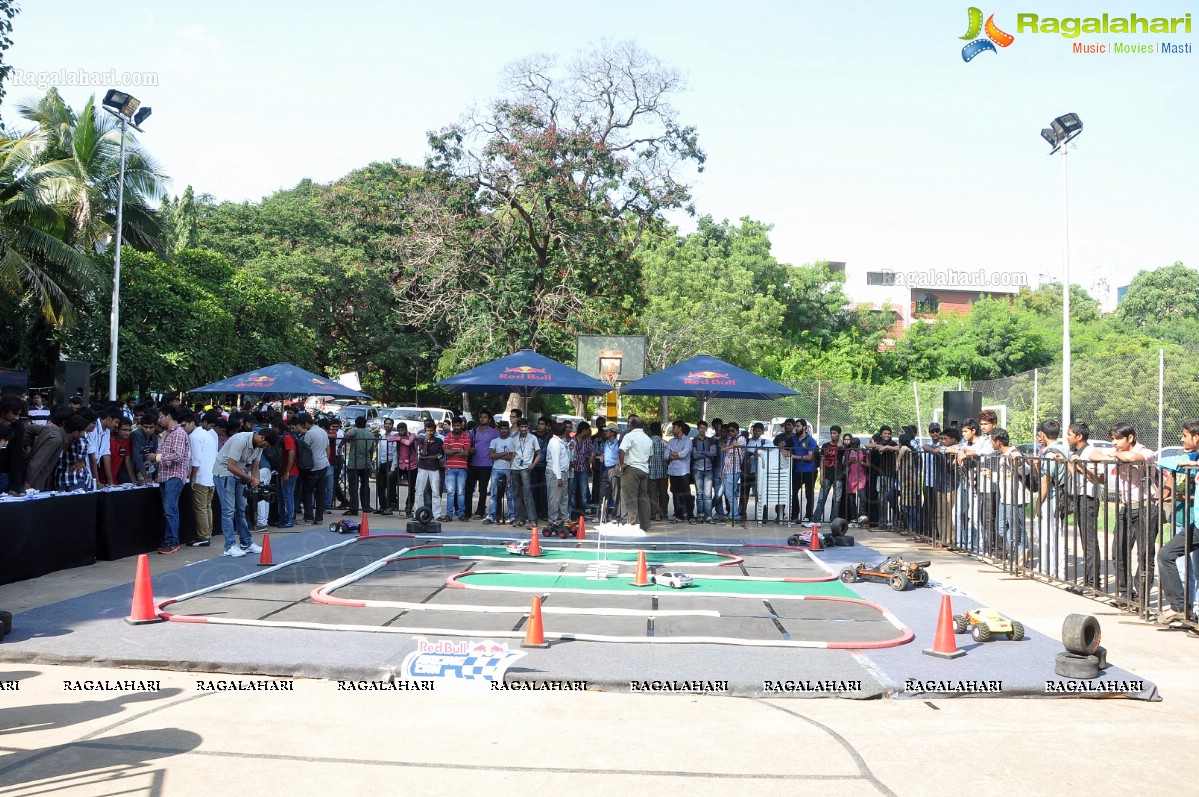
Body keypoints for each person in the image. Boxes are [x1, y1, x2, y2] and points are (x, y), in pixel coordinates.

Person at [1090, 421, 1158, 601]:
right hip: (1126, 508)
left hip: (1146, 507)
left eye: (1118, 439)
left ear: (1131, 438)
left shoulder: (1146, 452)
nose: (1114, 443)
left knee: (1144, 554)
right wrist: (1115, 455)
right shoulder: (1117, 452)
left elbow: (1132, 458)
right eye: (1112, 439)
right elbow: (1094, 454)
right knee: (1118, 551)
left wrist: (1116, 456)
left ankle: (1141, 597)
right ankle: (1125, 592)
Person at [1156, 419, 1199, 624]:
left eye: (1185, 435)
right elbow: (1163, 461)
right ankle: (1181, 607)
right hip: (1196, 525)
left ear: (1196, 437)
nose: (1182, 439)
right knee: (1166, 555)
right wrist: (1190, 463)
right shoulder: (1195, 457)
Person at [212, 426, 275, 556]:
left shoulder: (259, 446)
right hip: (224, 473)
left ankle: (246, 543)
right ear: (261, 437)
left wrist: (256, 484)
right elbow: (230, 466)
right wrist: (250, 479)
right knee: (228, 511)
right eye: (265, 444)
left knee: (241, 509)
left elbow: (256, 465)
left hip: (238, 474)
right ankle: (229, 546)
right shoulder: (240, 440)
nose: (264, 447)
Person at [1064, 422, 1103, 593]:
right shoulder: (1076, 452)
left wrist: (1081, 466)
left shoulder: (1090, 452)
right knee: (1083, 539)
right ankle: (1087, 580)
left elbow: (1099, 478)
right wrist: (1067, 463)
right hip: (1079, 496)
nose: (1067, 437)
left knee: (1089, 540)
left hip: (1089, 498)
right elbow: (1076, 473)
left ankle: (1093, 582)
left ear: (1079, 436)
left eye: (1069, 434)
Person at [148, 406, 191, 554]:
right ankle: (169, 540)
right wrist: (154, 458)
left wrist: (157, 457)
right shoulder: (167, 434)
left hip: (174, 476)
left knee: (170, 509)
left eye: (160, 417)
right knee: (169, 509)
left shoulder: (178, 433)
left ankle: (172, 541)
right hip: (165, 475)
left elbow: (178, 456)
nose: (159, 420)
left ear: (168, 416)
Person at [186, 412, 217, 547]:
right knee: (207, 507)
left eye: (184, 425)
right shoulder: (208, 435)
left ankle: (203, 536)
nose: (183, 428)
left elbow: (196, 460)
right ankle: (207, 533)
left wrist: (192, 478)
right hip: (211, 476)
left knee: (200, 508)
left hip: (201, 477)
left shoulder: (194, 437)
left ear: (192, 423)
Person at [618, 416, 654, 530]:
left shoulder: (629, 436)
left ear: (631, 425)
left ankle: (633, 524)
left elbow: (621, 451)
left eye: (629, 423)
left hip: (631, 469)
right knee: (644, 498)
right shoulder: (648, 438)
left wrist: (622, 464)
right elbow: (650, 456)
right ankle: (645, 525)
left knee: (630, 497)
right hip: (644, 469)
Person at [509, 418, 541, 528]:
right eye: (521, 427)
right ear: (518, 427)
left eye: (525, 427)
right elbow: (513, 455)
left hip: (526, 468)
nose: (524, 429)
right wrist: (510, 472)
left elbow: (539, 453)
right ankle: (520, 519)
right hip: (515, 468)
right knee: (517, 495)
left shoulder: (533, 438)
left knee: (527, 495)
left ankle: (533, 520)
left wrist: (532, 465)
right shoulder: (514, 439)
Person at [467, 410, 498, 519]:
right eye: (481, 417)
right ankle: (467, 512)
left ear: (489, 420)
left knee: (483, 489)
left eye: (485, 417)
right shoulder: (474, 432)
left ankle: (480, 511)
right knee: (469, 489)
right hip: (473, 464)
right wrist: (470, 450)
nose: (482, 419)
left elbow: (499, 445)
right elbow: (469, 444)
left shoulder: (494, 432)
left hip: (487, 464)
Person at [301, 415, 330, 526]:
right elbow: (327, 447)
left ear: (306, 423)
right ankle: (319, 518)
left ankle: (309, 517)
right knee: (320, 492)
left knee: (308, 492)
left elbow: (305, 448)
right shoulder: (323, 432)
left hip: (313, 466)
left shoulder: (310, 434)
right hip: (323, 464)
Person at [343, 416, 375, 516]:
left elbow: (348, 434)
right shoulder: (370, 435)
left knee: (353, 487)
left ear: (356, 423)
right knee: (365, 486)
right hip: (366, 463)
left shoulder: (354, 431)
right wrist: (370, 463)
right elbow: (371, 451)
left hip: (354, 463)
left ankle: (353, 508)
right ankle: (366, 507)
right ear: (365, 424)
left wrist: (341, 445)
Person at [485, 420, 516, 524]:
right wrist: (503, 454)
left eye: (505, 428)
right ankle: (491, 515)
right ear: (499, 429)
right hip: (496, 469)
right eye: (502, 428)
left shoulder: (512, 441)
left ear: (508, 429)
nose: (504, 430)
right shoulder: (494, 441)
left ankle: (512, 516)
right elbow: (491, 455)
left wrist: (498, 455)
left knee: (510, 494)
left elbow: (511, 457)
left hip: (508, 469)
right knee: (494, 493)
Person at [442, 416, 472, 522]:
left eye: (458, 425)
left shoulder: (466, 437)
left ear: (461, 425)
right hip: (450, 468)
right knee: (450, 492)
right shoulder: (447, 437)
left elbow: (467, 453)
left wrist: (453, 451)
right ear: (451, 426)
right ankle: (449, 515)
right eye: (454, 425)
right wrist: (459, 450)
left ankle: (461, 514)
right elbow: (446, 452)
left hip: (462, 468)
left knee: (460, 492)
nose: (456, 427)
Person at [414, 420, 445, 520]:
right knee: (419, 491)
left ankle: (437, 514)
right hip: (422, 468)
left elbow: (440, 455)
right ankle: (416, 513)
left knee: (436, 492)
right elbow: (422, 454)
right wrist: (426, 443)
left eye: (431, 431)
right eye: (427, 431)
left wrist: (428, 457)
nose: (429, 433)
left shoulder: (439, 441)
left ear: (435, 430)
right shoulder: (421, 440)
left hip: (434, 468)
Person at [812, 426, 844, 523]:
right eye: (831, 433)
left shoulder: (841, 446)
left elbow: (840, 446)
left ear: (839, 434)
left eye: (835, 433)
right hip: (827, 474)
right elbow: (822, 461)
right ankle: (816, 518)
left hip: (838, 475)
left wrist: (839, 440)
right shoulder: (825, 445)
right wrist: (821, 475)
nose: (832, 435)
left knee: (837, 499)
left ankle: (833, 519)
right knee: (822, 498)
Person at [665, 421, 693, 523]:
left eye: (674, 427)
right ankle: (678, 516)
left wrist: (673, 454)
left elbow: (684, 454)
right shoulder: (671, 441)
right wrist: (675, 455)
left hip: (683, 471)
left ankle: (690, 515)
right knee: (675, 494)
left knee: (686, 494)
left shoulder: (688, 441)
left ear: (680, 428)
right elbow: (665, 455)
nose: (673, 429)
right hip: (672, 472)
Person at [718, 421, 746, 525]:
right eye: (729, 431)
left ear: (737, 430)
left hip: (734, 470)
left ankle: (734, 515)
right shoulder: (729, 439)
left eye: (732, 430)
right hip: (726, 470)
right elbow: (725, 457)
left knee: (730, 493)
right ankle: (733, 514)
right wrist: (722, 471)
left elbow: (737, 445)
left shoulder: (740, 438)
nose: (730, 432)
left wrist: (725, 447)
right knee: (729, 493)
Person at [691, 420, 718, 522]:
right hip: (697, 469)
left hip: (708, 469)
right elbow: (694, 455)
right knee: (699, 493)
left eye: (704, 428)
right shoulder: (693, 441)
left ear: (706, 429)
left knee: (708, 494)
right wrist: (707, 453)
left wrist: (701, 452)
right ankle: (700, 515)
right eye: (700, 428)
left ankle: (708, 515)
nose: (702, 430)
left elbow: (714, 453)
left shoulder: (710, 440)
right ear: (698, 429)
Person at [545, 421, 571, 527]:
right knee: (554, 498)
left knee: (564, 497)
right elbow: (555, 461)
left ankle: (565, 518)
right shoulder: (554, 442)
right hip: (555, 473)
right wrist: (558, 478)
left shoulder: (561, 441)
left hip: (563, 472)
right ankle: (552, 519)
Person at [56, 414, 91, 492]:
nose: (84, 434)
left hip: (60, 479)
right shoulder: (80, 440)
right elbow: (83, 444)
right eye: (83, 431)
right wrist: (81, 459)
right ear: (76, 432)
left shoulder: (60, 437)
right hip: (76, 479)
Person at [570, 421, 595, 519]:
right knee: (573, 492)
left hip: (583, 468)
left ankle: (582, 513)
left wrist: (591, 457)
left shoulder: (587, 440)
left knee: (583, 492)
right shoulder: (572, 440)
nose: (589, 432)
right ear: (584, 430)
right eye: (587, 430)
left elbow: (592, 451)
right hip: (573, 469)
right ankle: (573, 512)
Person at [374, 417, 398, 516]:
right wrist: (377, 465)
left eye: (389, 424)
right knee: (380, 486)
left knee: (390, 486)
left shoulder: (394, 437)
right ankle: (382, 506)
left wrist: (393, 468)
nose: (387, 425)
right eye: (386, 424)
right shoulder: (382, 437)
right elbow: (379, 452)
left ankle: (390, 506)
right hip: (382, 463)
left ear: (392, 425)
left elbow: (395, 453)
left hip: (391, 462)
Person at [394, 422, 419, 516]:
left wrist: (399, 439)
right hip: (401, 464)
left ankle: (408, 507)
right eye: (399, 430)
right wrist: (400, 438)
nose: (400, 432)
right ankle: (393, 502)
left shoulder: (412, 435)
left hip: (412, 465)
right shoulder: (397, 435)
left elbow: (409, 442)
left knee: (412, 487)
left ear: (406, 429)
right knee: (391, 480)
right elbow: (389, 438)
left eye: (402, 430)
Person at [646, 422, 668, 521]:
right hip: (663, 472)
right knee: (663, 493)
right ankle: (663, 513)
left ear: (651, 431)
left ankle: (654, 513)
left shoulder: (648, 442)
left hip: (651, 473)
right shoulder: (665, 443)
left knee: (652, 494)